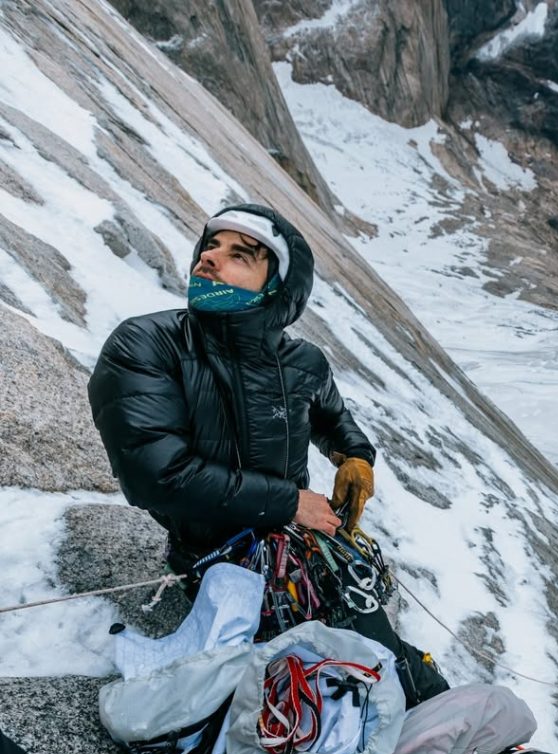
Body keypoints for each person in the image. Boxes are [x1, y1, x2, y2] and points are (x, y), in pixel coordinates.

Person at [88, 203, 447, 704]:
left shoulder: (302, 361)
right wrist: (290, 503)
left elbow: (330, 415)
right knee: (362, 681)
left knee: (394, 672)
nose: (209, 258)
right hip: (216, 562)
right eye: (210, 246)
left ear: (277, 286)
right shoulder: (148, 345)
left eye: (239, 255)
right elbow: (157, 476)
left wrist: (354, 456)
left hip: (302, 549)